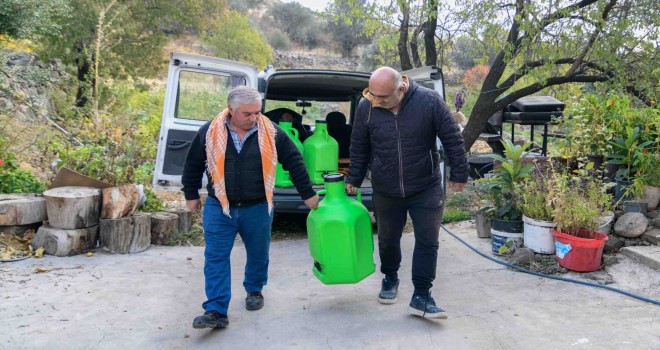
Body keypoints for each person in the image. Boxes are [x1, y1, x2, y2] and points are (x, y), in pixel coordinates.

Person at [182, 86, 319, 329]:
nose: (255, 118)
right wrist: (191, 193)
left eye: (257, 112)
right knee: (215, 256)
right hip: (219, 207)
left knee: (258, 252)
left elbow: (294, 161)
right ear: (231, 110)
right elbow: (193, 163)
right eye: (248, 114)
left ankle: (254, 290)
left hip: (257, 206)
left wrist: (307, 194)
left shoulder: (271, 131)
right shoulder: (210, 131)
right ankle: (215, 309)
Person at [346, 67, 468, 319]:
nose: (376, 101)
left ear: (401, 89)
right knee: (388, 238)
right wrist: (354, 179)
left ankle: (422, 295)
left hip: (425, 185)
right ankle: (390, 277)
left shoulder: (429, 101)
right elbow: (359, 145)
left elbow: (452, 137)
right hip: (386, 186)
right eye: (372, 95)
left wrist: (459, 173)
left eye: (383, 97)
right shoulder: (366, 105)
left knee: (428, 240)